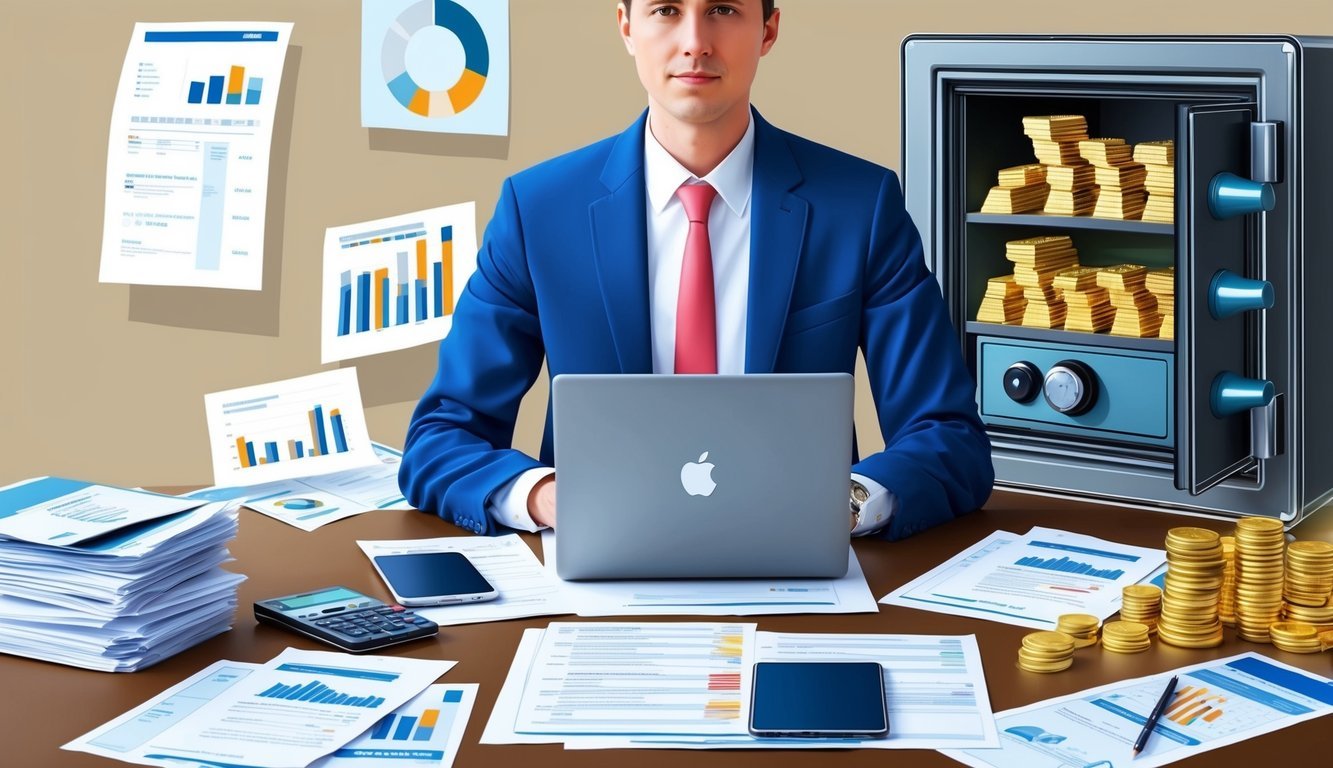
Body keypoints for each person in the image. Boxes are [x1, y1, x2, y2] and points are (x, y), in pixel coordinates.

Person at [400, 0, 993, 540]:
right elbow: (442, 438)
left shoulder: (860, 205)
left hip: (801, 560)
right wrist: (550, 499)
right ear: (627, 27)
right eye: (665, 11)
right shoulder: (539, 210)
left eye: (723, 11)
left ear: (768, 29)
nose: (695, 42)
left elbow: (950, 439)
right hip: (599, 561)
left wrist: (846, 503)